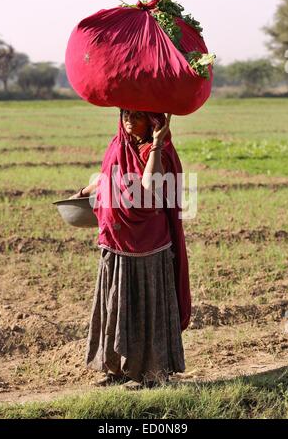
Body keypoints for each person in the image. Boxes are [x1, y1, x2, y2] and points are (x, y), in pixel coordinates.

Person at [70, 109, 191, 389]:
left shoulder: (161, 151)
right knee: (116, 305)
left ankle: (152, 373)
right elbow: (105, 176)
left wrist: (158, 144)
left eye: (137, 116)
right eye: (126, 114)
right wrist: (81, 193)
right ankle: (117, 370)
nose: (128, 120)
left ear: (153, 121)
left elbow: (150, 187)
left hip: (148, 244)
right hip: (115, 239)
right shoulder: (118, 144)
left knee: (145, 308)